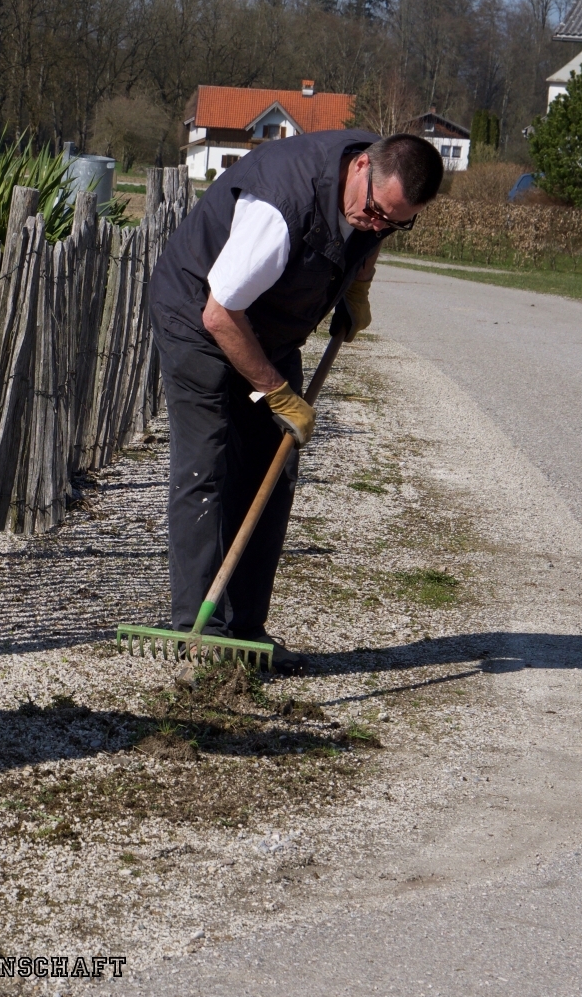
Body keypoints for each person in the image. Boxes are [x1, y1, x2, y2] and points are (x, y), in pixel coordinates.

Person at [148, 129, 444, 672]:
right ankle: (200, 633)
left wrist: (358, 287)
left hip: (267, 330)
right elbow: (220, 315)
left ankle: (246, 630)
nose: (377, 225)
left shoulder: (380, 189)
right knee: (207, 466)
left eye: (396, 222)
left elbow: (368, 239)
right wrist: (279, 394)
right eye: (376, 211)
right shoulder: (279, 207)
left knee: (274, 463)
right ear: (359, 168)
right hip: (198, 315)